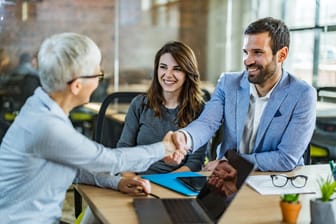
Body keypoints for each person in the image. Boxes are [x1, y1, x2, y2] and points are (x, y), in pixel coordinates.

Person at [0, 32, 186, 223]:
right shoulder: (47, 126)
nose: (99, 82)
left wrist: (117, 182)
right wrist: (165, 148)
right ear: (77, 86)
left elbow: (76, 165)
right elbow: (108, 160)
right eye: (98, 75)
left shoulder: (39, 106)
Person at [171, 17, 317, 172]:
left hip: (277, 180)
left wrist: (233, 162)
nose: (248, 61)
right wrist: (184, 137)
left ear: (281, 55)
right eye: (246, 52)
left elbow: (286, 158)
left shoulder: (303, 94)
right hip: (227, 179)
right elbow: (207, 123)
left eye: (257, 53)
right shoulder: (228, 83)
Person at [117, 41, 207, 175]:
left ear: (188, 73)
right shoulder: (139, 104)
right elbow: (124, 150)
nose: (168, 74)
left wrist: (164, 184)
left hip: (175, 182)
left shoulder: (199, 110)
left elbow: (195, 163)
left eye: (177, 69)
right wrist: (132, 179)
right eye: (163, 67)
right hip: (136, 179)